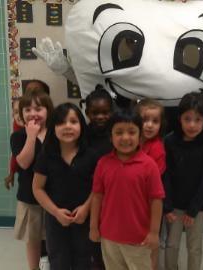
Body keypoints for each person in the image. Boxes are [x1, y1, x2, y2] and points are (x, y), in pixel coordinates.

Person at [89, 109, 165, 270]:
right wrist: (93, 227)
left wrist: (154, 232)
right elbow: (97, 197)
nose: (125, 138)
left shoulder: (149, 165)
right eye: (119, 132)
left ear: (140, 136)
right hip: (109, 237)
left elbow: (156, 200)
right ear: (110, 137)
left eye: (131, 132)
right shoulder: (103, 163)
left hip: (139, 239)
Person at [33, 103, 98, 270]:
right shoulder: (46, 155)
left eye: (73, 122)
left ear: (81, 126)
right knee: (59, 260)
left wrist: (86, 208)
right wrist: (55, 212)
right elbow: (37, 188)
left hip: (84, 218)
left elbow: (98, 188)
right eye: (61, 122)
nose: (68, 126)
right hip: (55, 220)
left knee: (84, 260)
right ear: (53, 127)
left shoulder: (91, 155)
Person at [163, 92, 203, 270]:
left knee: (194, 247)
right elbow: (166, 176)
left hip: (197, 207)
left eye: (198, 119)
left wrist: (193, 209)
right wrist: (168, 206)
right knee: (171, 245)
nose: (192, 125)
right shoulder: (170, 141)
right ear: (180, 119)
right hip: (174, 208)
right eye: (187, 119)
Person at [10, 89, 54, 270]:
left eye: (38, 108)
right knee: (32, 239)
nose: (33, 113)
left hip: (54, 196)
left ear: (48, 111)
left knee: (54, 238)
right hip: (29, 198)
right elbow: (24, 163)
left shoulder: (56, 133)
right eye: (27, 110)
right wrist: (31, 137)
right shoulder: (18, 136)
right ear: (21, 114)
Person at [83, 86, 114, 269]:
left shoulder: (116, 134)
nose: (100, 117)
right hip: (88, 197)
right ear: (87, 113)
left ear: (112, 112)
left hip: (112, 197)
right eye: (95, 112)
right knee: (92, 245)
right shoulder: (82, 135)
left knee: (110, 245)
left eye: (105, 112)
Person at [135, 98, 167, 270]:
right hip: (132, 206)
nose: (149, 125)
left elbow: (153, 183)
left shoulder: (157, 148)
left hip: (150, 206)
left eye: (155, 121)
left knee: (151, 246)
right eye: (144, 120)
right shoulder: (132, 141)